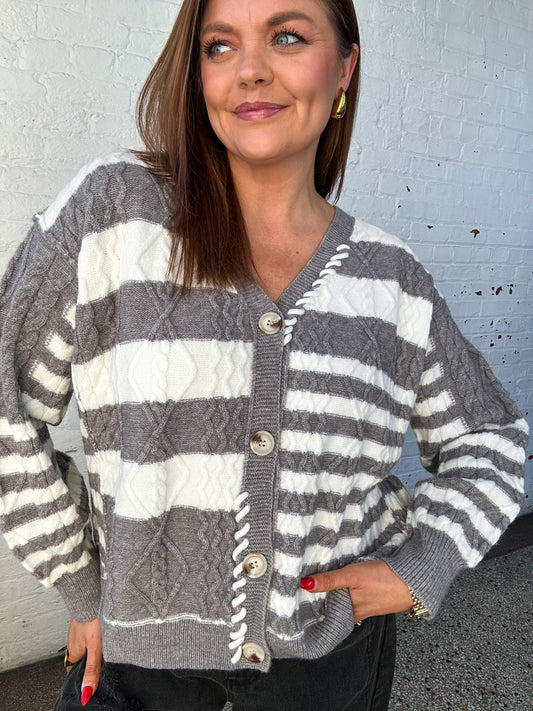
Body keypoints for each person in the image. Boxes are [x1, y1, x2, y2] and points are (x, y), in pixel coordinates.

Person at [0, 0, 527, 709]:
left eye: (286, 36)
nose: (249, 69)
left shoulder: (391, 281)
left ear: (344, 66)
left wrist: (418, 565)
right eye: (219, 46)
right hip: (136, 656)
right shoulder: (113, 215)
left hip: (327, 654)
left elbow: (490, 438)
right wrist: (80, 581)